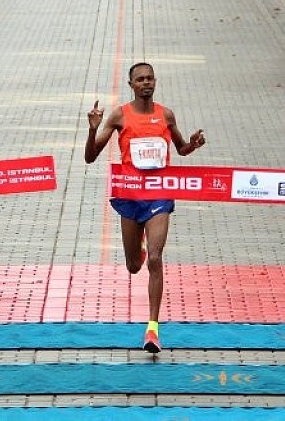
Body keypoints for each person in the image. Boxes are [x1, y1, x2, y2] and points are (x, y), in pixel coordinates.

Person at [84, 62, 206, 353]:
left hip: (159, 195)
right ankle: (137, 246)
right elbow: (90, 157)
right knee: (134, 265)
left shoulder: (166, 115)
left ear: (155, 82)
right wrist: (93, 130)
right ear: (131, 85)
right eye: (140, 79)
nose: (146, 83)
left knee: (155, 258)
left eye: (150, 78)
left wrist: (192, 145)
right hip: (129, 196)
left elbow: (181, 149)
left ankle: (152, 329)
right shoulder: (119, 115)